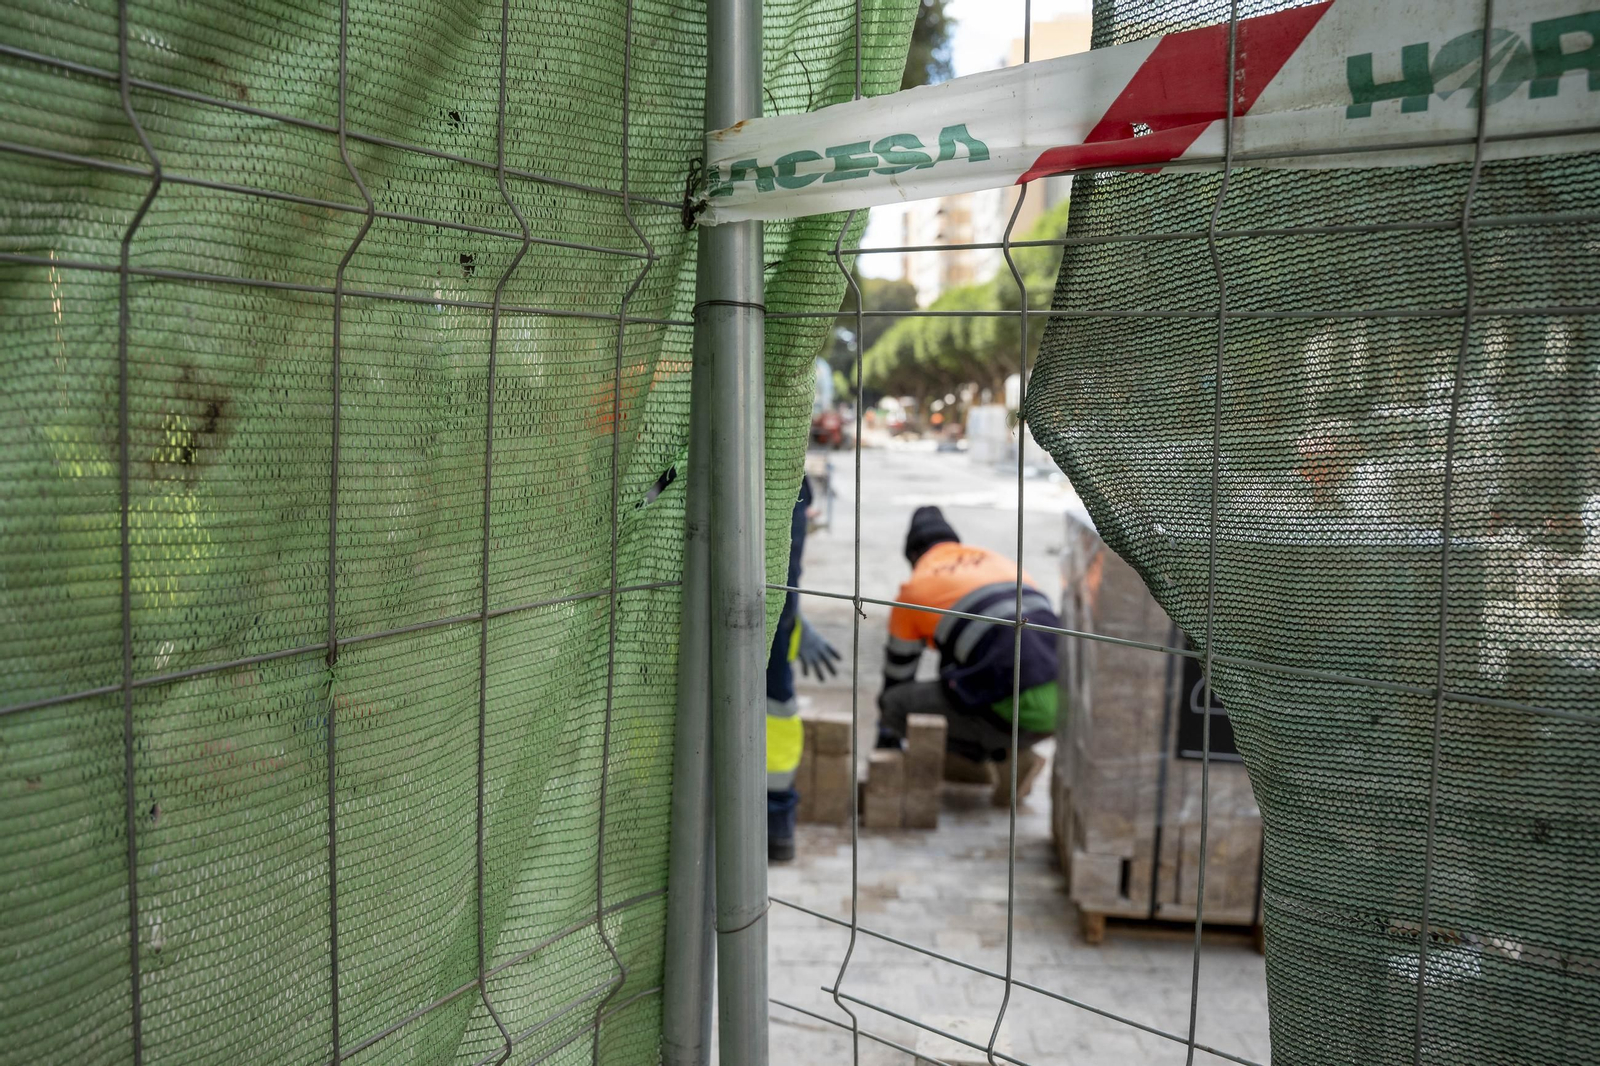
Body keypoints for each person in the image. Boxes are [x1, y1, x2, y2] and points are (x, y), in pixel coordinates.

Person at [878, 506, 1059, 806]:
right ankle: (996, 759)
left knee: (896, 705)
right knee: (967, 676)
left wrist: (886, 740)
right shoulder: (1001, 562)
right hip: (1068, 698)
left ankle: (1004, 759)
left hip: (1019, 707)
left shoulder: (913, 590)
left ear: (913, 555)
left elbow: (897, 676)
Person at [767, 476, 842, 862]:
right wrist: (787, 614)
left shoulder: (787, 475)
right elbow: (784, 567)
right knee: (773, 707)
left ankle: (770, 829)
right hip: (768, 613)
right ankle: (773, 827)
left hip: (766, 611)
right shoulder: (789, 477)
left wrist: (788, 614)